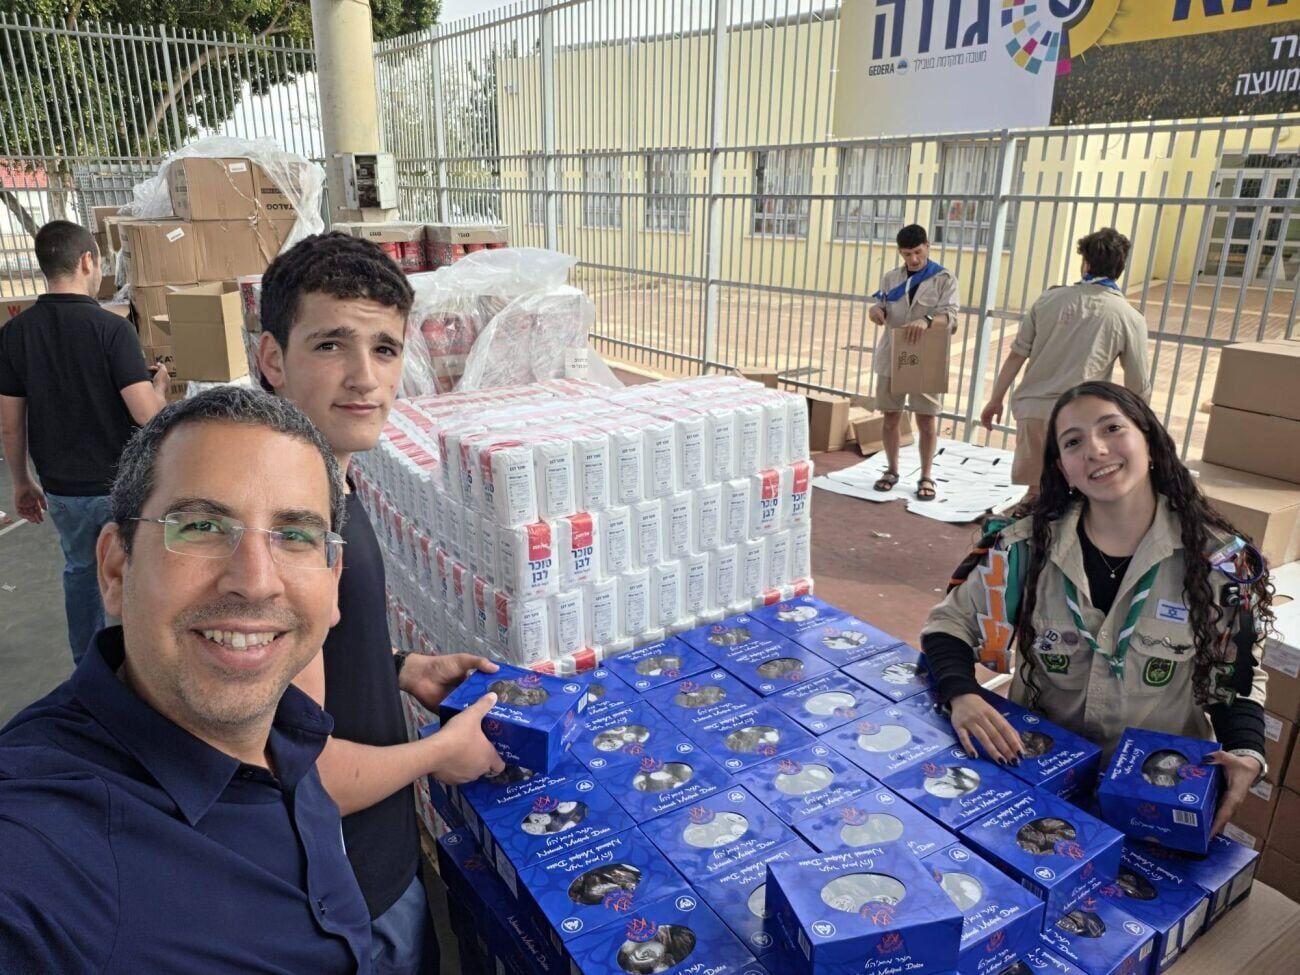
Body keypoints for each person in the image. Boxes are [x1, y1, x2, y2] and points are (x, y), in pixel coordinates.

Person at [0, 387, 400, 971]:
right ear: (115, 568)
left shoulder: (287, 726)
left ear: (333, 581)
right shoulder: (44, 844)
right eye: (202, 526)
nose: (256, 582)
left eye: (295, 535)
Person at [257, 232, 504, 975]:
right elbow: (301, 769)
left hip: (380, 853)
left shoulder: (331, 475)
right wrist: (441, 753)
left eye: (385, 349)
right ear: (273, 358)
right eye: (331, 344)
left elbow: (309, 661)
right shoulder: (288, 526)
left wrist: (399, 666)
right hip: (345, 887)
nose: (365, 377)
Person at [922, 381, 1270, 836]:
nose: (1096, 450)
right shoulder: (1023, 549)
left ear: (1150, 441)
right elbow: (948, 623)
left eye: (1112, 429)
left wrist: (1246, 750)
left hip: (1153, 794)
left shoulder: (1218, 563)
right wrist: (962, 694)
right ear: (1063, 469)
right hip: (1038, 779)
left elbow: (1237, 677)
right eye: (1073, 442)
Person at [0, 219, 170, 660]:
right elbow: (146, 414)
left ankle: (87, 665)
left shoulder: (15, 334)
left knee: (80, 569)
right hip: (121, 484)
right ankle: (144, 662)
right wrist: (160, 389)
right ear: (87, 261)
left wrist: (22, 481)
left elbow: (11, 424)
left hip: (62, 488)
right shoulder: (112, 330)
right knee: (135, 570)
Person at [980, 228, 1151, 503]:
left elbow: (1016, 356)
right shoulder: (1128, 317)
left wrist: (995, 399)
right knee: (1078, 496)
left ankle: (1027, 524)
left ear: (1085, 263)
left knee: (1036, 492)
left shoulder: (1048, 300)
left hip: (1033, 411)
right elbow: (1138, 383)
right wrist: (1139, 427)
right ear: (1120, 268)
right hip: (1079, 420)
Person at [868, 224, 960, 502]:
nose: (914, 259)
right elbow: (882, 304)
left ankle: (926, 476)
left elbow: (951, 318)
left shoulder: (943, 278)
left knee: (926, 419)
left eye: (918, 252)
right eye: (907, 254)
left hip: (926, 356)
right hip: (893, 353)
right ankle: (892, 470)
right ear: (900, 253)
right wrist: (875, 310)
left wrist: (928, 320)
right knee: (890, 416)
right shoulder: (891, 278)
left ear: (928, 246)